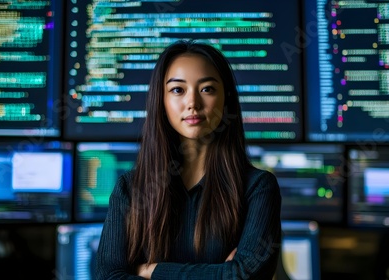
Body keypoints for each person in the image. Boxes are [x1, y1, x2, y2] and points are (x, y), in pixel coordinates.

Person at [95, 39, 282, 279]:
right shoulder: (130, 189)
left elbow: (244, 275)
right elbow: (108, 276)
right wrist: (220, 273)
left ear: (226, 100)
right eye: (177, 90)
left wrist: (151, 271)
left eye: (207, 89)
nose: (193, 103)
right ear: (161, 101)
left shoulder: (257, 188)